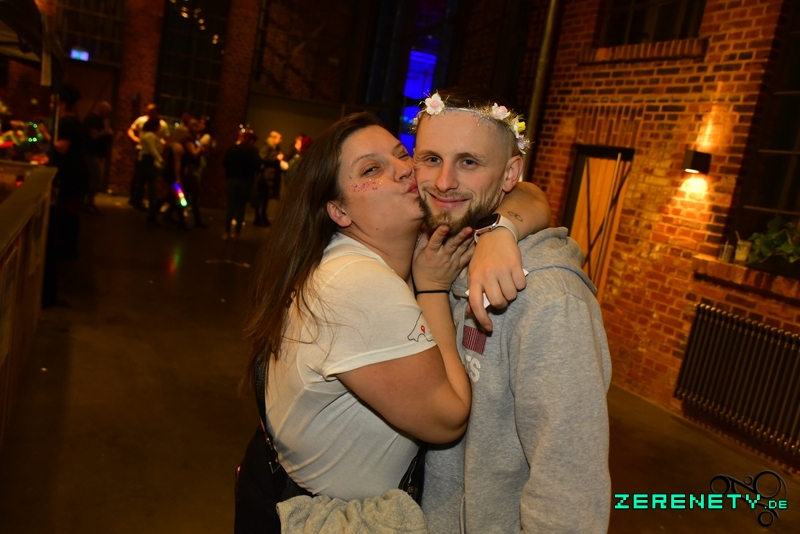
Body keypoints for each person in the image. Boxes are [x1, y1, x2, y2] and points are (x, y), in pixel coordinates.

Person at [239, 112, 550, 531]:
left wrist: (500, 231)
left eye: (403, 155)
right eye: (372, 169)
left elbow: (528, 193)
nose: (404, 170)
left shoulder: (375, 248)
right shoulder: (358, 283)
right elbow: (448, 418)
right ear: (338, 210)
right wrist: (433, 289)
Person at [413, 90, 612, 533]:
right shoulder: (431, 247)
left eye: (468, 162)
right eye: (431, 159)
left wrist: (499, 229)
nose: (444, 181)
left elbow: (569, 490)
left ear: (509, 175)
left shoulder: (550, 299)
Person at [127, 104, 169, 210]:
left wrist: (161, 147)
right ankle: (150, 203)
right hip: (147, 156)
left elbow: (166, 138)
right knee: (150, 181)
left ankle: (137, 201)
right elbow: (152, 149)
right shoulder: (148, 131)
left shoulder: (155, 128)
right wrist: (160, 159)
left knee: (141, 179)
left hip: (144, 155)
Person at [222, 129, 261, 240]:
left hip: (232, 179)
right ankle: (237, 233)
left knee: (230, 206)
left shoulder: (233, 148)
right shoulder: (253, 150)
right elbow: (258, 165)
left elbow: (225, 163)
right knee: (241, 207)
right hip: (246, 181)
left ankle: (226, 232)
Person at [82, 100, 113, 212]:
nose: (108, 115)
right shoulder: (92, 119)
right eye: (107, 112)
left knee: (94, 178)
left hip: (95, 154)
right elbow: (94, 135)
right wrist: (106, 132)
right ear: (101, 109)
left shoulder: (99, 120)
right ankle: (87, 202)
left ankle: (89, 202)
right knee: (96, 179)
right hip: (91, 154)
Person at [254, 130, 288, 226]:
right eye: (279, 138)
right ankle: (258, 217)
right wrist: (276, 159)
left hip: (270, 177)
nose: (281, 140)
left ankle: (262, 216)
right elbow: (263, 158)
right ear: (273, 138)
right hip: (265, 177)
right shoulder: (267, 147)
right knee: (261, 198)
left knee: (265, 198)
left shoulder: (275, 148)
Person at [140, 118, 165, 226]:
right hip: (149, 160)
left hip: (146, 159)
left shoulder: (145, 134)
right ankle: (152, 208)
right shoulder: (151, 136)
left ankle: (152, 209)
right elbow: (152, 150)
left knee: (149, 184)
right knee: (153, 186)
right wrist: (160, 160)